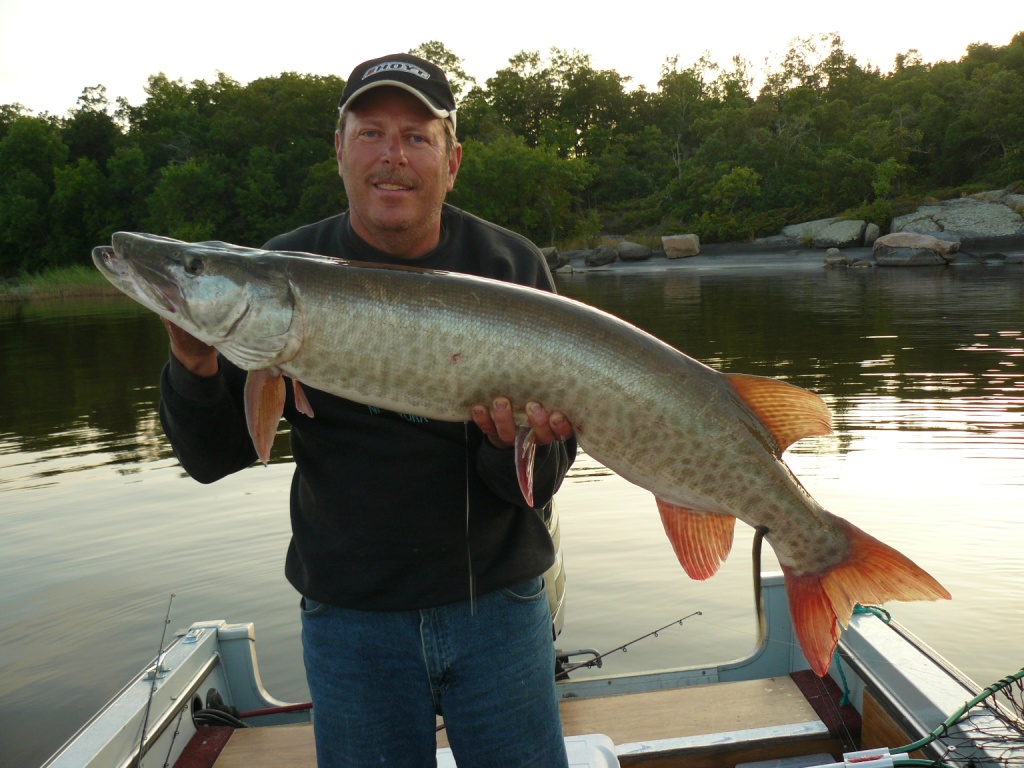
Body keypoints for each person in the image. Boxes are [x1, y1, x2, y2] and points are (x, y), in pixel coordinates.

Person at [158, 53, 577, 767]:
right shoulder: (279, 274)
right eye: (372, 133)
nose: (393, 156)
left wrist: (507, 444)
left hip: (499, 608)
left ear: (452, 161)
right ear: (340, 151)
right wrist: (194, 364)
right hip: (350, 622)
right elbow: (210, 456)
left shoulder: (510, 266)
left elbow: (536, 481)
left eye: (417, 137)